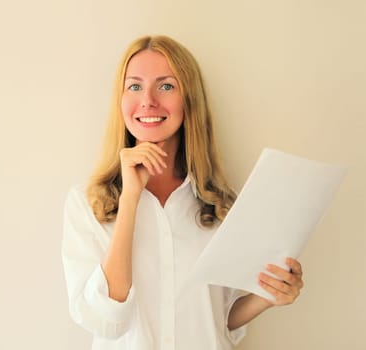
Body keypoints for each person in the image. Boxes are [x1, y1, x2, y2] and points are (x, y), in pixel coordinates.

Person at [62, 35, 304, 350]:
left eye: (166, 86)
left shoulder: (222, 205)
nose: (147, 100)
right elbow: (107, 321)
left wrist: (268, 295)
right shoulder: (86, 203)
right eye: (134, 86)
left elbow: (216, 317)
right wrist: (131, 199)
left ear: (189, 99)